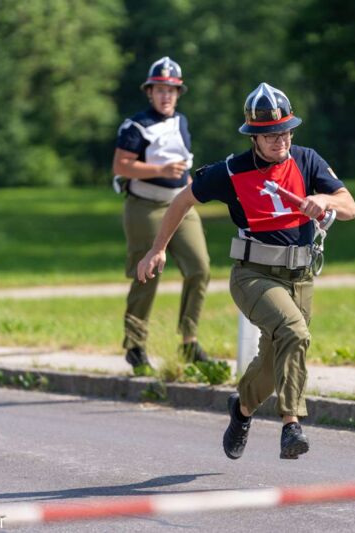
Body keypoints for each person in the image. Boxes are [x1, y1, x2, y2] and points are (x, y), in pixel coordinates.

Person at [138, 82, 355, 459]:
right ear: (253, 136)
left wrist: (322, 201)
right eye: (270, 135)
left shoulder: (307, 160)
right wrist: (157, 249)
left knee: (276, 358)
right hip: (253, 275)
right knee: (294, 332)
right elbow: (182, 200)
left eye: (285, 132)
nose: (280, 140)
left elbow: (350, 206)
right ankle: (291, 425)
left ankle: (241, 409)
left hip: (300, 276)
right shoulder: (230, 171)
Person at [112, 56, 212, 372]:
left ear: (178, 93)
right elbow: (121, 166)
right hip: (145, 206)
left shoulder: (181, 121)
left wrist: (192, 189)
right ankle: (135, 345)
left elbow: (183, 164)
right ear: (150, 92)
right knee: (147, 273)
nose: (165, 95)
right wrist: (161, 170)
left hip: (180, 203)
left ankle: (189, 340)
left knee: (199, 267)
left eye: (171, 90)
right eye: (160, 89)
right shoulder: (136, 125)